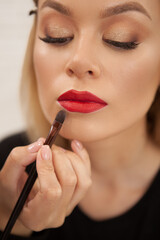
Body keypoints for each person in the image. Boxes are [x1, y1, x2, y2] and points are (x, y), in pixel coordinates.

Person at [0, 0, 160, 239]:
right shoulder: (8, 171)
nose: (79, 61)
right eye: (56, 34)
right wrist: (8, 221)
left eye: (121, 39)